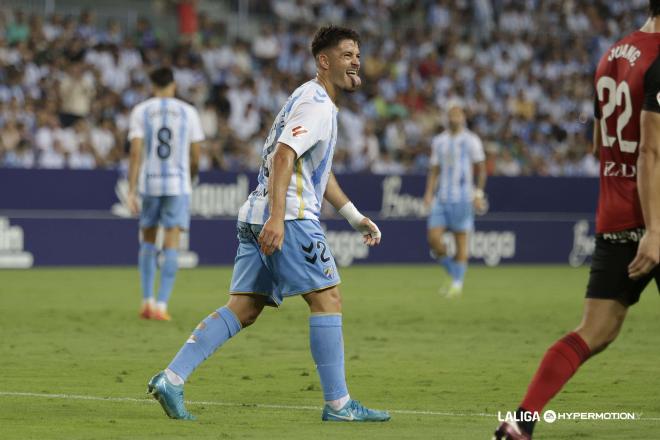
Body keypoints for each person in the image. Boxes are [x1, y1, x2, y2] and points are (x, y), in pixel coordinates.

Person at [146, 25, 390, 422]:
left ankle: (171, 378)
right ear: (323, 62)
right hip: (288, 216)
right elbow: (283, 156)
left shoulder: (304, 97)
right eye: (347, 55)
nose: (356, 62)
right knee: (327, 298)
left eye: (358, 55)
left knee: (243, 307)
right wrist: (278, 217)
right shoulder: (317, 104)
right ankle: (340, 405)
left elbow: (319, 172)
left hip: (256, 213)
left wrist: (355, 217)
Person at [494, 3, 660, 438]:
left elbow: (597, 144)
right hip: (656, 219)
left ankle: (521, 422)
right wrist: (656, 231)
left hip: (615, 216)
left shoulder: (612, 55)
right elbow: (650, 152)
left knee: (594, 331)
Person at [127, 66, 203, 321]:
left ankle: (146, 301)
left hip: (150, 184)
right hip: (177, 185)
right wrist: (190, 178)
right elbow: (195, 155)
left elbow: (135, 152)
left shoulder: (141, 111)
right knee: (171, 242)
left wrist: (131, 189)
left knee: (148, 240)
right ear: (173, 85)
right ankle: (161, 305)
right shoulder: (188, 112)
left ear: (152, 86)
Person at [423, 102, 487, 298]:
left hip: (463, 198)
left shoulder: (471, 140)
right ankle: (454, 273)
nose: (454, 118)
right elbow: (434, 170)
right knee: (433, 238)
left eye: (458, 115)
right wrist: (428, 193)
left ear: (463, 118)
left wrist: (478, 194)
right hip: (442, 198)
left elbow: (481, 169)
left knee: (461, 241)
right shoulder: (439, 141)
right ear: (447, 118)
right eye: (451, 115)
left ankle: (457, 283)